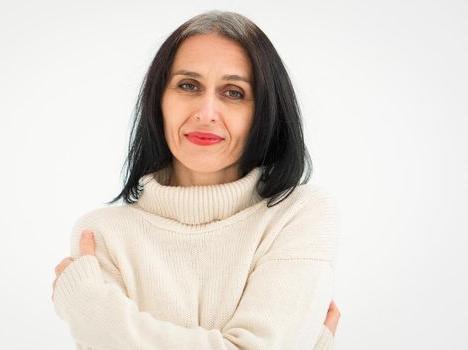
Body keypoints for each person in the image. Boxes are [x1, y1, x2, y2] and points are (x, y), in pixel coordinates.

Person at [52, 10, 341, 349]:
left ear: (264, 111)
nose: (206, 113)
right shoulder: (101, 234)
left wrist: (94, 314)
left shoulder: (298, 214)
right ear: (158, 101)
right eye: (188, 86)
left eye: (233, 92)